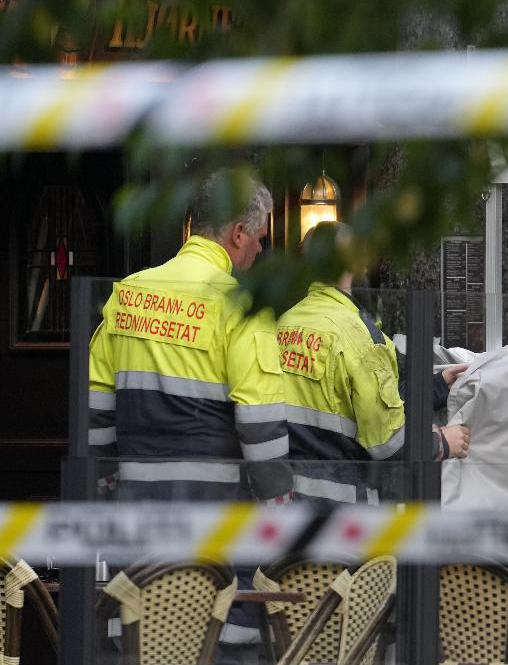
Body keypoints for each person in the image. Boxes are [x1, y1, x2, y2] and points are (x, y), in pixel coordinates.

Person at [87, 168, 292, 653]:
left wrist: (111, 489)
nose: (260, 251)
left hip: (137, 533)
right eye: (259, 238)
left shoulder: (126, 297)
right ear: (238, 233)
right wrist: (281, 511)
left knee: (142, 648)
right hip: (216, 538)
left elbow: (96, 421)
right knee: (220, 647)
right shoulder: (241, 307)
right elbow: (262, 433)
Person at [277, 222, 471, 506]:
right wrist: (442, 442)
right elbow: (387, 443)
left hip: (288, 507)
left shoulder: (284, 324)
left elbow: (361, 407)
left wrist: (437, 387)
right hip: (343, 513)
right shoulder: (360, 335)